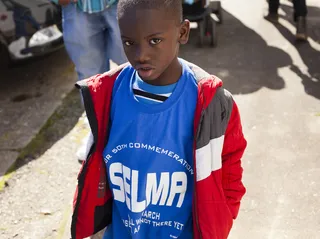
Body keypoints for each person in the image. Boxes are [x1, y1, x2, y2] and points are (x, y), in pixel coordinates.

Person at [71, 0, 247, 239]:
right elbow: (92, 168)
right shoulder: (105, 96)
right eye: (129, 42)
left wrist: (221, 219)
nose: (141, 54)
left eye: (155, 40)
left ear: (182, 32)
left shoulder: (212, 103)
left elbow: (230, 168)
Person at [51, 0, 127, 161]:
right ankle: (96, 132)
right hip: (76, 7)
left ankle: (140, 129)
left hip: (122, 4)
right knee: (89, 75)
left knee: (133, 65)